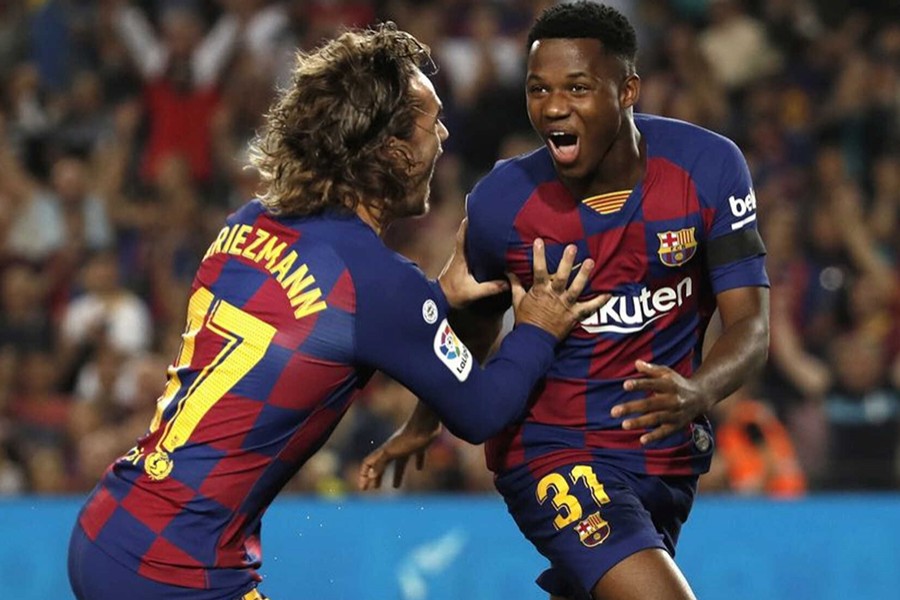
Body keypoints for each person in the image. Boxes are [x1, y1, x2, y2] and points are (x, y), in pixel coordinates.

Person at [66, 23, 610, 600]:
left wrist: (432, 302)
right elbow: (480, 412)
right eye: (433, 123)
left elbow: (309, 319)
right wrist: (537, 328)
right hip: (177, 570)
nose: (446, 135)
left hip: (109, 526)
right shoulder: (375, 285)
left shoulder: (247, 220)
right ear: (395, 151)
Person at [360, 4, 770, 600]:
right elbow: (470, 327)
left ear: (627, 89)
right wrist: (425, 422)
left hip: (663, 460)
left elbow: (751, 327)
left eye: (577, 87)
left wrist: (700, 391)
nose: (553, 107)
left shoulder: (708, 169)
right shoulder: (503, 201)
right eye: (539, 89)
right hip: (553, 451)